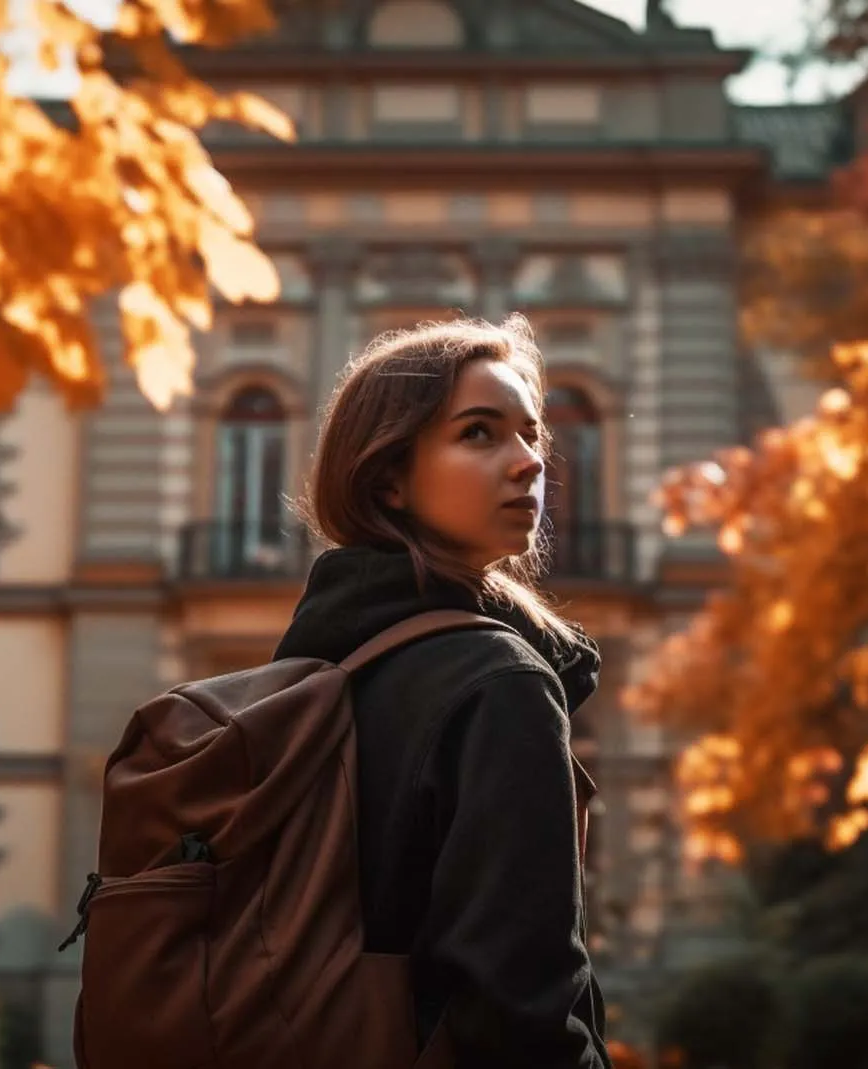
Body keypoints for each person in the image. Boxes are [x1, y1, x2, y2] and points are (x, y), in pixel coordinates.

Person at [274, 315, 612, 1068]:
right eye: (479, 434)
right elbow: (521, 1012)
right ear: (386, 474)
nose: (529, 463)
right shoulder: (501, 685)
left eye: (531, 435)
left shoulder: (316, 663)